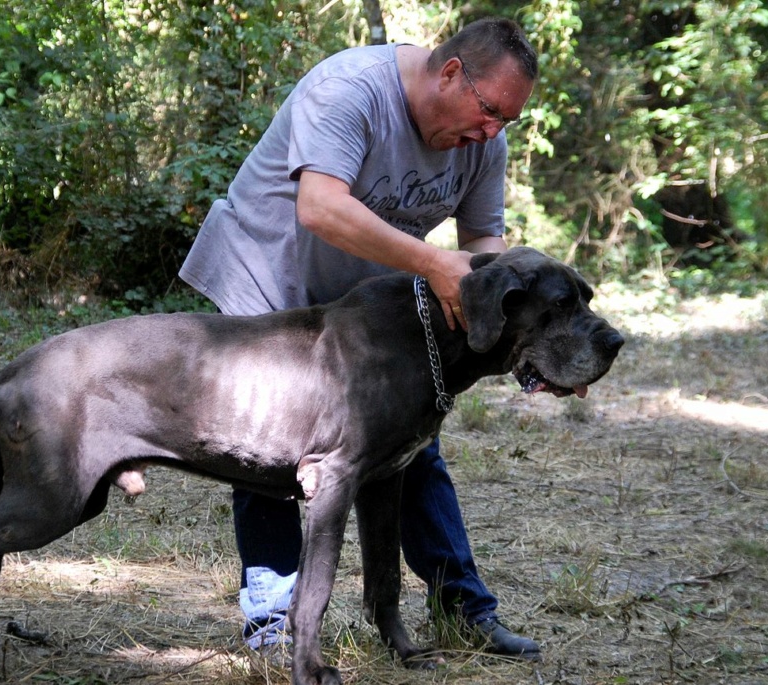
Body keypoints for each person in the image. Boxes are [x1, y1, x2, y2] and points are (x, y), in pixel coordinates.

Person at [179, 17, 540, 660]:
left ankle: (463, 609)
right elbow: (319, 206)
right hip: (267, 272)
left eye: (506, 121)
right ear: (451, 72)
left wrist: (511, 326)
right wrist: (432, 265)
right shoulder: (351, 91)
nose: (493, 131)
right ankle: (273, 619)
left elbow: (485, 248)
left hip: (361, 297)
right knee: (269, 444)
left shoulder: (485, 141)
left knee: (413, 438)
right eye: (489, 112)